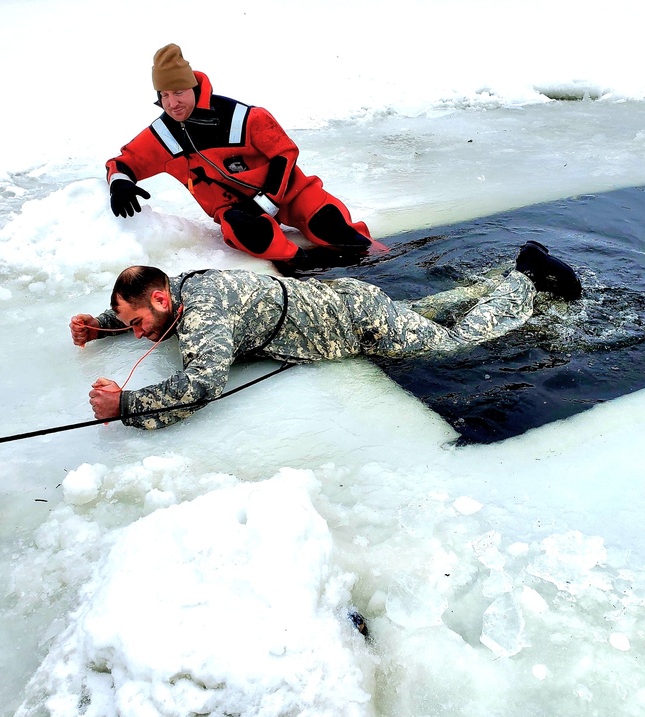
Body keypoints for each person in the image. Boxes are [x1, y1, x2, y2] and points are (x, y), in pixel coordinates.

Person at [69, 241, 582, 429]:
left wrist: (128, 405)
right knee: (418, 314)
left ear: (161, 301)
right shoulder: (175, 290)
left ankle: (524, 279)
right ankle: (487, 284)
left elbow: (203, 383)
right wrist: (100, 325)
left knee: (454, 344)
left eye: (136, 324)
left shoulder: (204, 315)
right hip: (343, 300)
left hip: (356, 320)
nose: (138, 336)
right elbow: (143, 307)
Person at [106, 43, 378, 270]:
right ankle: (307, 271)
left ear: (193, 87)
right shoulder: (162, 135)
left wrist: (269, 201)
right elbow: (122, 163)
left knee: (331, 226)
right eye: (164, 95)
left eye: (178, 92)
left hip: (288, 192)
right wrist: (119, 182)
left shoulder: (243, 116)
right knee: (245, 231)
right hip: (236, 208)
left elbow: (285, 153)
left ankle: (380, 261)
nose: (172, 103)